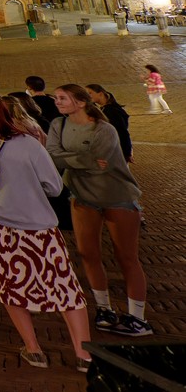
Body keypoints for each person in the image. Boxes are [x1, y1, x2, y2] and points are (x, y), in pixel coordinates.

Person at [0, 88, 91, 370]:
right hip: (38, 227)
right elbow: (54, 186)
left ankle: (33, 349)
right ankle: (83, 355)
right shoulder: (26, 143)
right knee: (65, 288)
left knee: (10, 287)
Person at [47, 83, 152, 337]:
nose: (57, 102)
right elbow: (52, 156)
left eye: (62, 98)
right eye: (56, 98)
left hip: (117, 196)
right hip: (83, 197)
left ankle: (138, 318)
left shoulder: (104, 129)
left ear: (81, 102)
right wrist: (84, 159)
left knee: (126, 257)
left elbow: (98, 163)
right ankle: (104, 309)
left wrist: (71, 158)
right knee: (88, 254)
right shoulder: (58, 125)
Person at [87, 85, 132, 162]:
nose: (87, 96)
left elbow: (122, 132)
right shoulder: (105, 108)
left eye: (90, 93)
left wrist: (127, 152)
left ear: (100, 94)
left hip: (116, 150)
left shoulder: (111, 111)